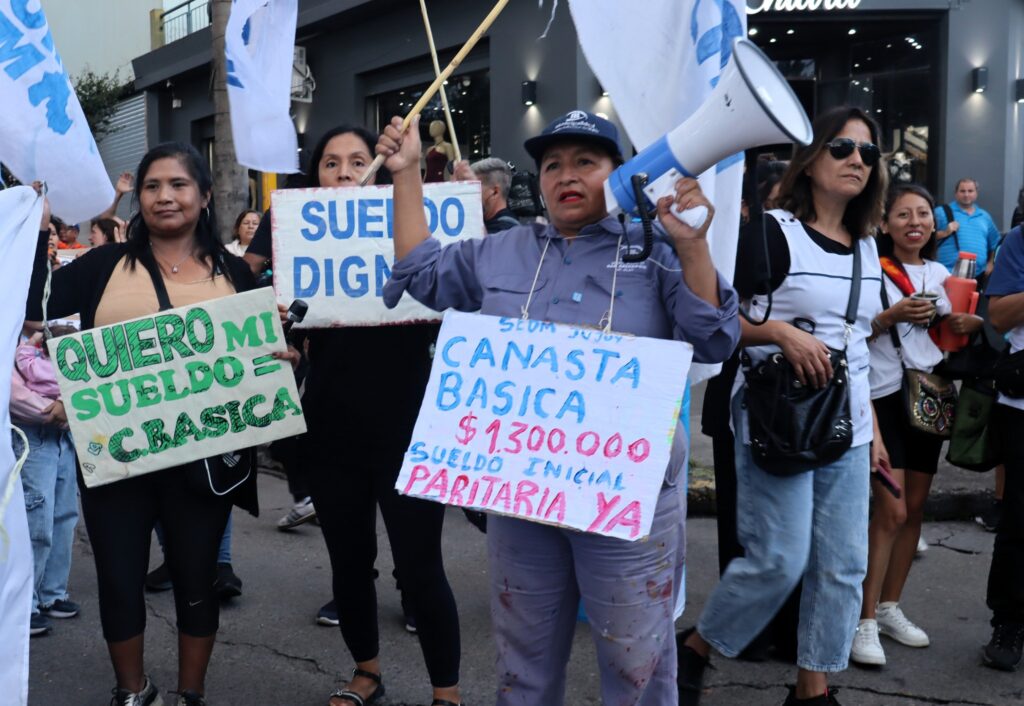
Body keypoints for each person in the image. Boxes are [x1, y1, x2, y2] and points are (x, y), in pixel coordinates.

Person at [378, 109, 739, 706]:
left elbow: (715, 340)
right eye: (552, 165)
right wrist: (408, 171)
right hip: (522, 500)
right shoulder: (504, 251)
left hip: (628, 503)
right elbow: (422, 272)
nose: (566, 175)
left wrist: (693, 245)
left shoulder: (657, 251)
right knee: (523, 665)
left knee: (638, 667)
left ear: (620, 175)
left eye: (586, 162)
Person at [24, 144, 293, 706]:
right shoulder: (101, 267)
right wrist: (34, 226)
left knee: (197, 579)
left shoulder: (237, 276)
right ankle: (132, 690)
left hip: (203, 462)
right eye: (151, 186)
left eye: (178, 184)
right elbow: (34, 308)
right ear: (139, 198)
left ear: (204, 196)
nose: (164, 196)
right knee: (119, 578)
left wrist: (282, 359)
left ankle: (190, 692)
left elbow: (263, 358)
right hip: (116, 459)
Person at [245, 124, 461, 706]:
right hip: (332, 430)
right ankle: (366, 672)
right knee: (348, 563)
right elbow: (286, 343)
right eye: (331, 163)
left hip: (409, 430)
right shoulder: (298, 254)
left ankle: (446, 692)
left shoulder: (416, 238)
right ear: (315, 177)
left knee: (422, 568)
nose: (344, 173)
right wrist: (284, 345)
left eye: (358, 161)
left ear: (381, 168)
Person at [679, 106, 887, 706]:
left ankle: (811, 690)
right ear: (810, 160)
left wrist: (874, 432)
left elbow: (856, 344)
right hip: (777, 419)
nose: (856, 160)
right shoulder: (772, 233)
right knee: (779, 560)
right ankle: (696, 650)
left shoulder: (867, 246)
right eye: (842, 148)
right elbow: (712, 319)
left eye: (868, 153)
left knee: (843, 564)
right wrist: (777, 333)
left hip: (847, 424)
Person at [850, 184, 960, 666]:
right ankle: (863, 619)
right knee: (891, 512)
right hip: (881, 398)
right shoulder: (870, 268)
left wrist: (967, 324)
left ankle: (889, 607)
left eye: (923, 214)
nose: (914, 222)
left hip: (927, 398)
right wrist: (890, 316)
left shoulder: (942, 274)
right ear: (885, 223)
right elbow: (849, 332)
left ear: (934, 224)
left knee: (914, 510)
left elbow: (954, 334)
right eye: (902, 214)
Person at [700, 156, 798, 663]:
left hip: (796, 404)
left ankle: (788, 627)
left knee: (788, 528)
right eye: (773, 204)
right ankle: (740, 629)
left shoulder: (812, 242)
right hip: (738, 395)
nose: (781, 217)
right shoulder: (733, 246)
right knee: (739, 517)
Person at [10, 324, 80, 638]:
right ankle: (24, 605)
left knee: (65, 515)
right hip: (34, 433)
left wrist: (68, 409)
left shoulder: (45, 339)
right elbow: (12, 393)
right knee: (36, 519)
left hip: (64, 434)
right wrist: (60, 410)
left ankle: (52, 592)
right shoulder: (12, 336)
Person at [980, 223, 1024, 670]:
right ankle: (1009, 622)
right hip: (1022, 405)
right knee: (1020, 518)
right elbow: (999, 316)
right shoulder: (1020, 239)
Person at [933, 178, 1001, 277]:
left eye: (970, 191)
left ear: (976, 193)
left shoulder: (984, 216)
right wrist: (945, 233)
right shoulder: (941, 212)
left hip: (978, 275)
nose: (966, 195)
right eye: (962, 191)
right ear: (956, 193)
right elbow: (925, 237)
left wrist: (991, 263)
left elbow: (996, 244)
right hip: (946, 273)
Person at [453, 157, 520, 233]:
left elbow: (485, 240)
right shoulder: (485, 223)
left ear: (495, 192)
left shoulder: (507, 230)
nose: (470, 194)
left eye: (475, 188)